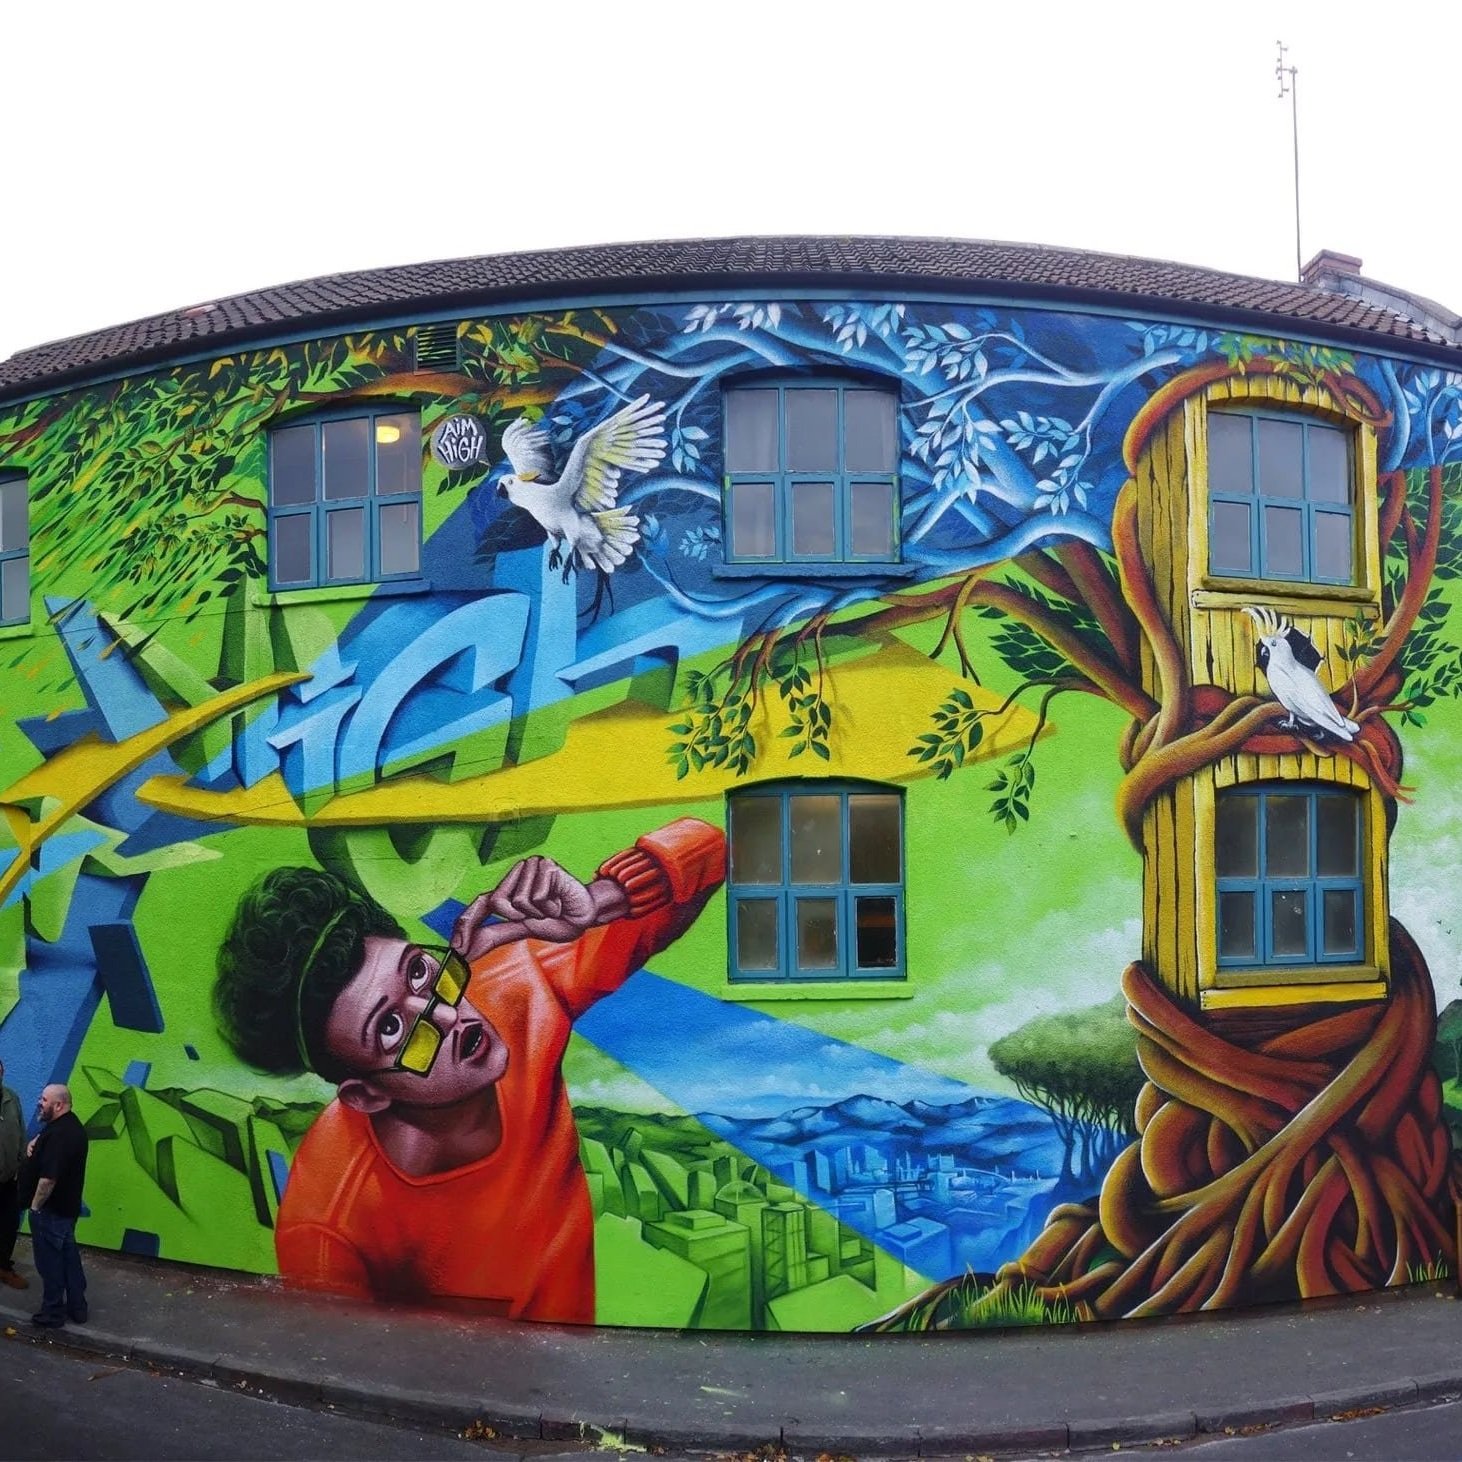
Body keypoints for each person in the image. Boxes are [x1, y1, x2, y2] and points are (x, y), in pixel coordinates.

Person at [213, 817, 723, 1324]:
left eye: (419, 971)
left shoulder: (515, 988)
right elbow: (347, 1360)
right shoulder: (328, 1225)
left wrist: (596, 903)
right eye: (392, 1027)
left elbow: (708, 848)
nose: (447, 1015)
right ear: (366, 1095)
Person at [27, 1083, 89, 1327]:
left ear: (59, 1105)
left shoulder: (60, 1135)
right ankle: (78, 1307)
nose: (39, 1103)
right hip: (65, 1210)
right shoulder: (69, 1126)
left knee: (50, 1263)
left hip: (50, 1212)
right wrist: (35, 1143)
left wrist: (35, 1207)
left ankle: (52, 1313)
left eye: (44, 1100)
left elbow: (49, 1179)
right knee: (68, 1259)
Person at [0, 1060, 25, 1289]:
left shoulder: (11, 1098)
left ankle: (4, 1268)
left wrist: (20, 1164)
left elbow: (21, 1131)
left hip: (9, 1178)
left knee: (8, 1225)